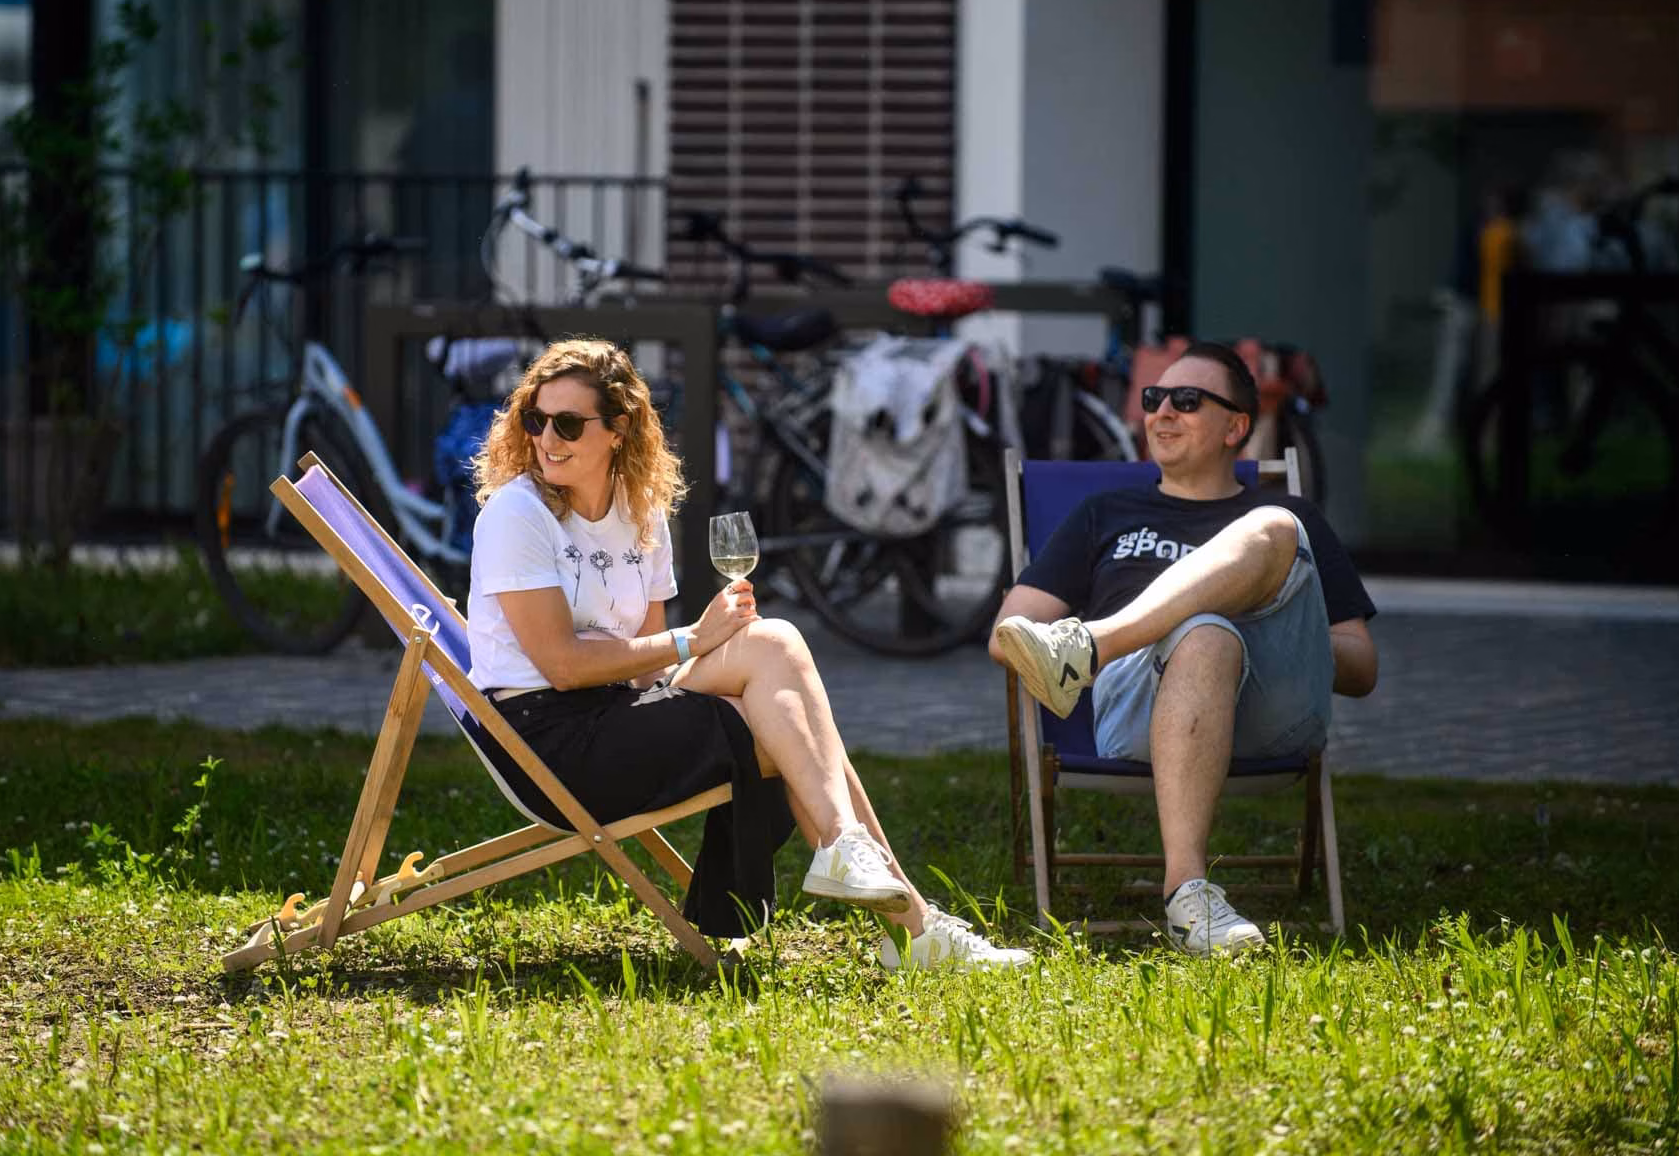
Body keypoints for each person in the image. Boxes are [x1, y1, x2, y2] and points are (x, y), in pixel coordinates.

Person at [466, 338, 1030, 970]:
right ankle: (908, 921)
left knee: (775, 642)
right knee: (790, 732)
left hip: (615, 713)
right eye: (534, 420)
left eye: (567, 422)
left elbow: (646, 670)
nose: (546, 438)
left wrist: (717, 655)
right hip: (545, 743)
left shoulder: (639, 514)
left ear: (619, 429)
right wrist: (696, 642)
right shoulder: (517, 514)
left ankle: (861, 865)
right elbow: (563, 666)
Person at [989, 341, 1378, 955]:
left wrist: (1275, 614)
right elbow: (1010, 635)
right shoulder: (1105, 513)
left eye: (1188, 400)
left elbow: (1361, 669)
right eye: (1153, 398)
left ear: (1236, 427)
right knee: (1204, 634)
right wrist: (1197, 617)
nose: (1162, 412)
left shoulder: (1283, 516)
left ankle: (1090, 646)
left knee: (1269, 537)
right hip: (1142, 708)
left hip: (1274, 709)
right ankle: (1189, 896)